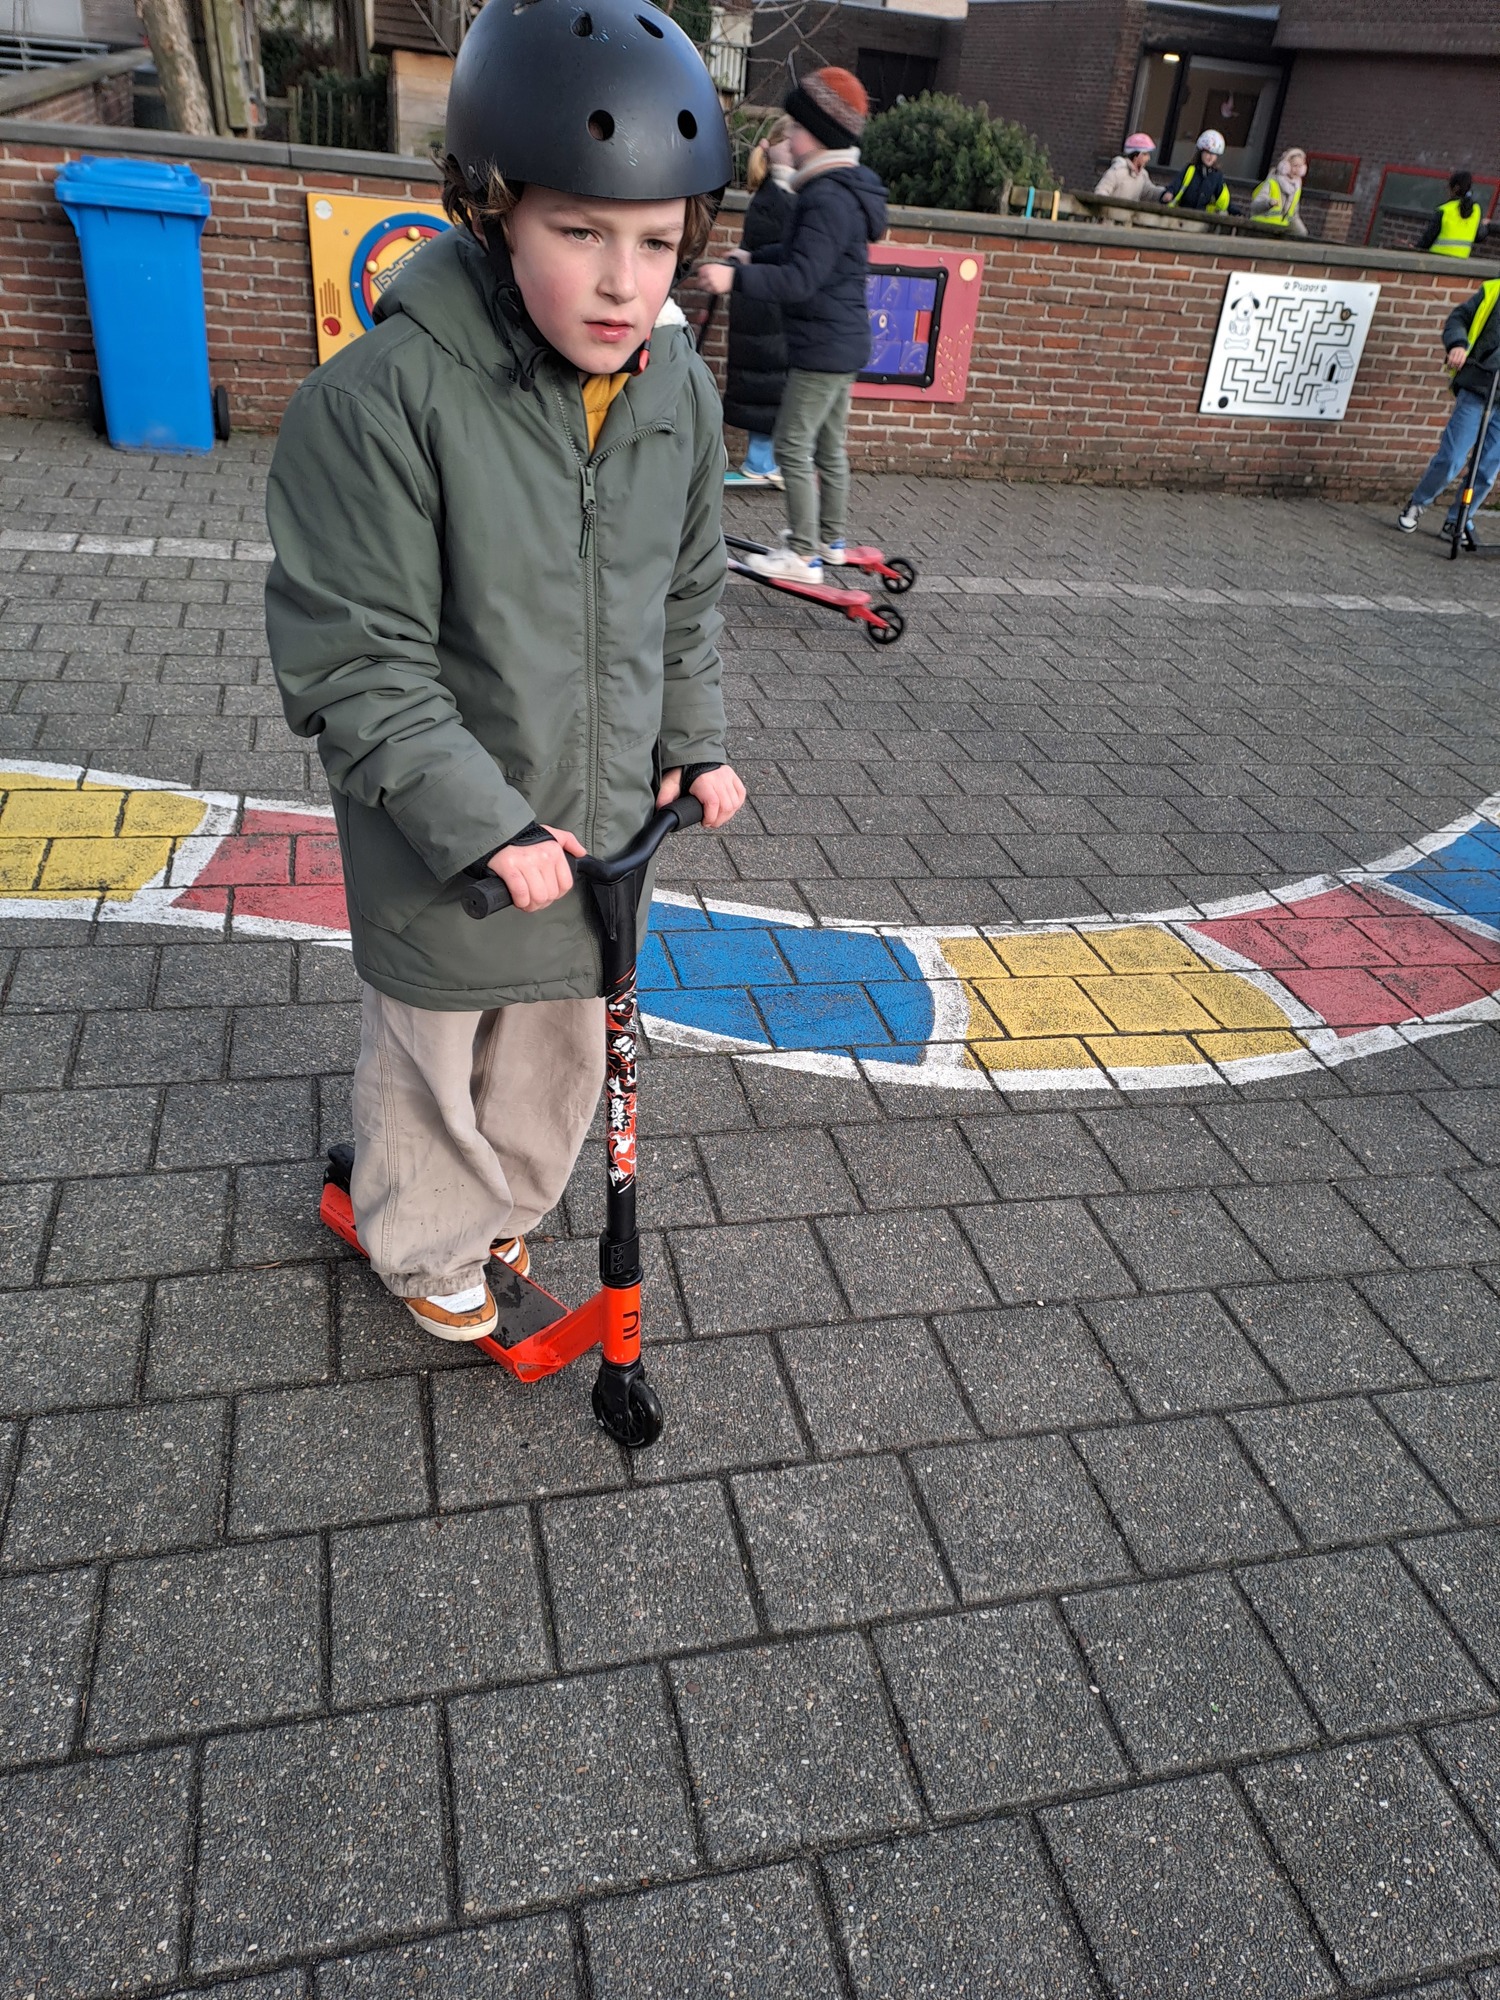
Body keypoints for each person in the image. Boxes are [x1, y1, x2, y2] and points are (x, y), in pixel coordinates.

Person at [263, 0, 746, 1343]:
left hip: (596, 815)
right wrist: (483, 823)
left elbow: (687, 591)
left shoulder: (676, 392)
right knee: (434, 1043)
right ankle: (425, 1235)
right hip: (445, 819)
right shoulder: (384, 400)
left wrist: (692, 737)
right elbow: (355, 655)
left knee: (559, 1040)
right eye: (579, 232)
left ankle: (506, 1200)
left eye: (656, 242)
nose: (623, 283)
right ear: (491, 213)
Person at [696, 67, 888, 584]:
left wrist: (734, 278)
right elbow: (805, 253)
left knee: (792, 446)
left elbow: (801, 278)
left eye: (796, 127)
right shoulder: (841, 190)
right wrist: (753, 256)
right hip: (842, 343)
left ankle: (803, 556)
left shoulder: (825, 196)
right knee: (828, 446)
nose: (789, 138)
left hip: (820, 347)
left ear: (819, 134)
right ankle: (831, 540)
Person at [1397, 274, 1500, 550]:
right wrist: (1457, 344)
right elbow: (1458, 319)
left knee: (1488, 468)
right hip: (1478, 386)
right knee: (1451, 458)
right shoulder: (1494, 291)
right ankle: (1418, 503)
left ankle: (1458, 520)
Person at [723, 119, 795, 485]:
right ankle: (761, 460)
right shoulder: (777, 197)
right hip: (765, 304)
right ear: (776, 146)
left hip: (764, 300)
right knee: (768, 380)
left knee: (770, 380)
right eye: (791, 139)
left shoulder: (777, 193)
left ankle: (765, 458)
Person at [1420, 170, 1491, 257]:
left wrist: (1415, 248)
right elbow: (1478, 236)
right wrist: (1485, 226)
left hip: (1436, 258)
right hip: (1460, 260)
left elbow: (1427, 239)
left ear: (1455, 188)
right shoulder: (1476, 209)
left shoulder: (1444, 210)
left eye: (1448, 187)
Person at [1166, 130, 1230, 214]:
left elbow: (1223, 198)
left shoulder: (1217, 176)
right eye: (1208, 152)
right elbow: (1176, 183)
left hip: (1202, 215)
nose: (1210, 157)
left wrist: (1236, 212)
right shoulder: (1190, 169)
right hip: (1182, 212)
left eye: (1214, 154)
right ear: (1201, 152)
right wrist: (1169, 192)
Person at [1251, 148, 1308, 236]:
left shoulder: (1296, 188)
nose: (1297, 170)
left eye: (1300, 167)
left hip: (1279, 231)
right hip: (1261, 228)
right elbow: (1255, 206)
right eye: (1294, 166)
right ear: (1285, 166)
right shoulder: (1271, 183)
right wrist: (1268, 203)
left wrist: (1302, 233)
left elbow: (1293, 215)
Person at [1094, 134, 1158, 202]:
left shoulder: (1143, 175)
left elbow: (1148, 191)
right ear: (1136, 156)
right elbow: (1101, 192)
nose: (1148, 158)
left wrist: (1163, 193)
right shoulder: (1117, 172)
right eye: (1145, 154)